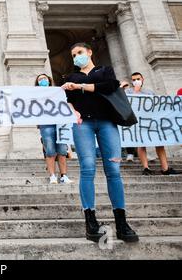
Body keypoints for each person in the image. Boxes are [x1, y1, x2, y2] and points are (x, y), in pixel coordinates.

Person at [62, 42, 139, 243]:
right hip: (83, 124)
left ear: (89, 52)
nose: (76, 57)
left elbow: (109, 86)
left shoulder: (104, 70)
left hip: (106, 122)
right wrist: (73, 110)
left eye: (79, 52)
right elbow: (68, 99)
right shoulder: (71, 77)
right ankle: (91, 221)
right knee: (87, 168)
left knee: (113, 169)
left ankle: (121, 222)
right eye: (73, 55)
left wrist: (80, 87)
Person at [125, 72, 179, 176]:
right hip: (138, 123)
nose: (136, 81)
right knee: (141, 144)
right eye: (134, 79)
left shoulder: (149, 92)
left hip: (152, 122)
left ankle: (165, 168)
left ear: (142, 79)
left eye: (138, 79)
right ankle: (146, 167)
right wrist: (135, 92)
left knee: (159, 143)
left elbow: (157, 105)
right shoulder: (128, 91)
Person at [35, 74, 72, 184]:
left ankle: (63, 176)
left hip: (60, 123)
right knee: (50, 150)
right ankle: (52, 176)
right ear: (37, 83)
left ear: (49, 80)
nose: (43, 80)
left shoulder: (57, 91)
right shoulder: (35, 94)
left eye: (45, 78)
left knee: (62, 150)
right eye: (40, 79)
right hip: (45, 124)